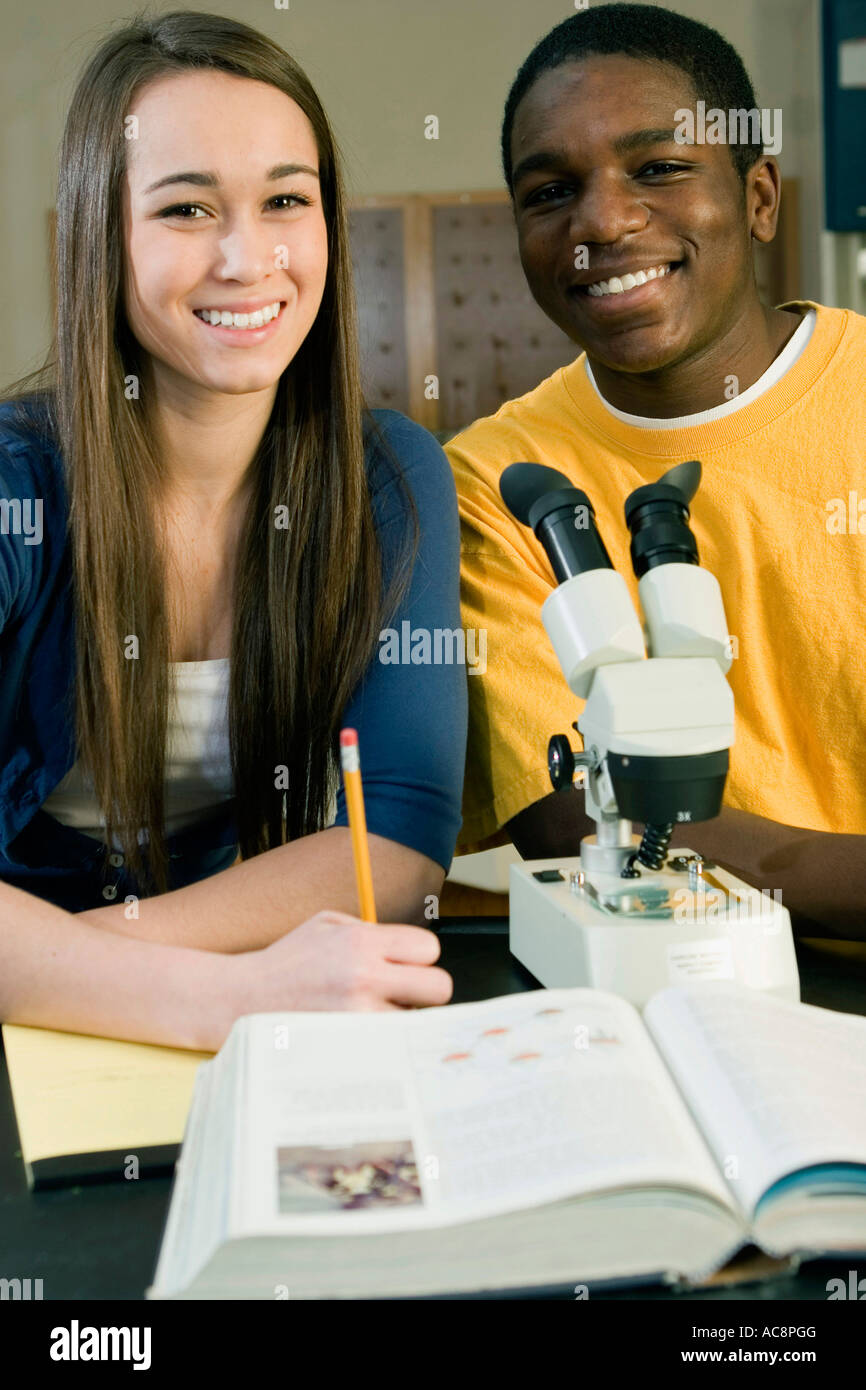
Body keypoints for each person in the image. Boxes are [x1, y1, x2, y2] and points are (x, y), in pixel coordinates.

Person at [0, 11, 465, 1047]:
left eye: (285, 201)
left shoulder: (388, 476)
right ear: (100, 234)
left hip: (196, 984)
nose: (246, 257)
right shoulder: (13, 483)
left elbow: (392, 835)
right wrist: (210, 996)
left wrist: (77, 958)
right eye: (185, 209)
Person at [445, 4, 866, 940]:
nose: (602, 220)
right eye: (549, 191)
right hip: (663, 990)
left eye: (660, 168)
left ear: (759, 198)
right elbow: (591, 823)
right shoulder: (493, 483)